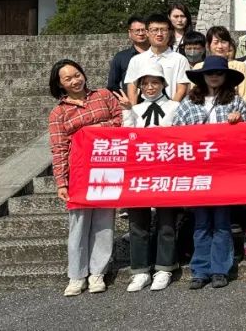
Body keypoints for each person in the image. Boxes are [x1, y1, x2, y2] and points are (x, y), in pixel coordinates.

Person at [49, 59, 124, 296]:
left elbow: (121, 120)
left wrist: (96, 129)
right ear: (60, 85)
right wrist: (61, 182)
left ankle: (98, 273)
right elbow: (59, 148)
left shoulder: (104, 95)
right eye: (68, 78)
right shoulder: (59, 112)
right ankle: (76, 275)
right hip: (79, 172)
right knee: (79, 225)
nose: (75, 80)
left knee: (104, 223)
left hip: (107, 166)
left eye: (77, 74)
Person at [174, 56, 245, 289]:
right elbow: (175, 133)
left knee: (222, 221)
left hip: (225, 171)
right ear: (202, 76)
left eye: (219, 73)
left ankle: (220, 270)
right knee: (202, 222)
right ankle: (200, 270)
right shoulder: (188, 103)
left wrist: (239, 120)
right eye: (210, 73)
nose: (214, 76)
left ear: (226, 77)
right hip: (197, 170)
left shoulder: (236, 101)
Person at [122, 63, 182, 292]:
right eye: (145, 83)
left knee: (167, 221)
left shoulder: (175, 106)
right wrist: (127, 111)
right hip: (140, 172)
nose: (149, 87)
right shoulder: (135, 109)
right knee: (138, 221)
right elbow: (127, 136)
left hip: (166, 170)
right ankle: (140, 271)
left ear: (164, 84)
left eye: (154, 82)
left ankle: (165, 267)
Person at [123, 13, 190, 105]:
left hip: (172, 110)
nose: (159, 34)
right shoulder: (136, 60)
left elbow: (181, 90)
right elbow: (132, 90)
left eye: (163, 30)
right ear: (147, 33)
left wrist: (170, 109)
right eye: (154, 30)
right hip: (143, 110)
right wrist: (134, 110)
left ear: (170, 32)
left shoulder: (180, 60)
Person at [195, 26, 246, 101]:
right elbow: (194, 93)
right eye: (216, 42)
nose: (220, 46)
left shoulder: (239, 66)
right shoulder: (199, 66)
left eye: (224, 42)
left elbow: (244, 95)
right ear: (208, 46)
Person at [107, 15, 148, 92]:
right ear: (130, 33)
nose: (141, 33)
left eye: (144, 30)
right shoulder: (120, 57)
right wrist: (123, 97)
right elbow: (112, 85)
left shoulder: (158, 54)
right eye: (137, 30)